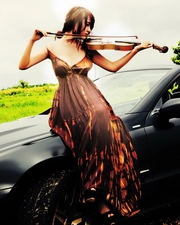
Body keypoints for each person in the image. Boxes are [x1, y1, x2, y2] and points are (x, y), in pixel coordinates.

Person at [19, 6, 152, 224]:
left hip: (91, 98)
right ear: (73, 22)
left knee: (107, 133)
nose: (89, 29)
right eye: (86, 24)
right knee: (97, 125)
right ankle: (93, 189)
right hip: (67, 101)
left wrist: (135, 51)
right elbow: (23, 65)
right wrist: (32, 41)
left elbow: (113, 67)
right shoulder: (51, 46)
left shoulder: (87, 48)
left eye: (91, 25)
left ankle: (98, 194)